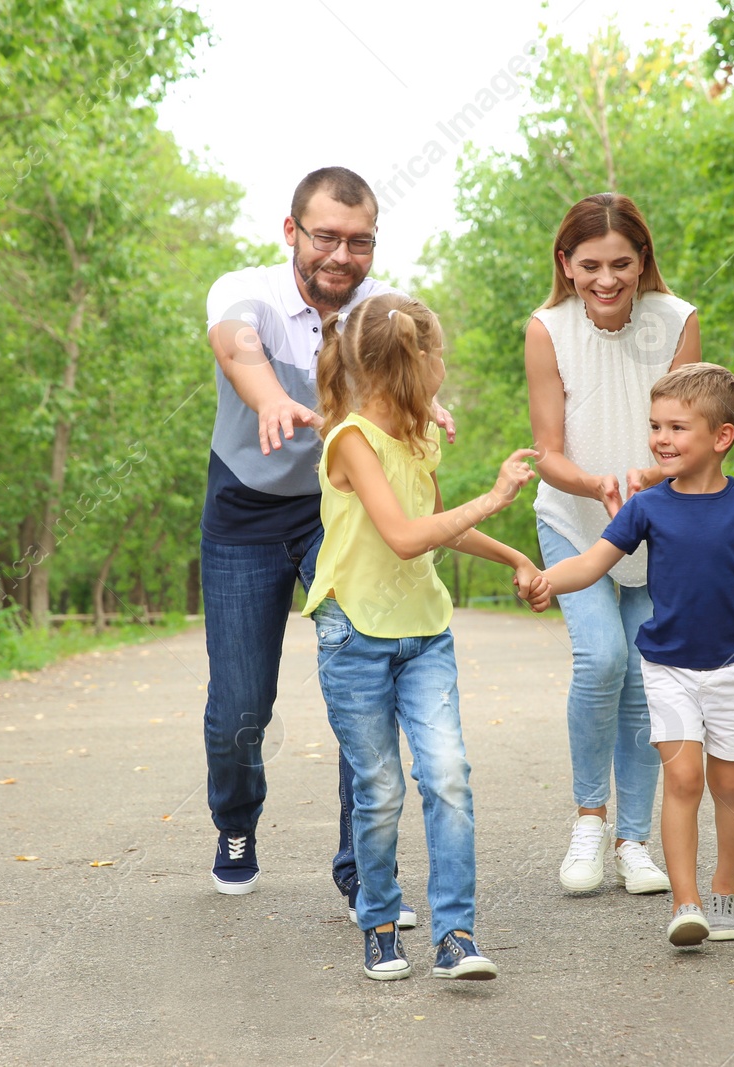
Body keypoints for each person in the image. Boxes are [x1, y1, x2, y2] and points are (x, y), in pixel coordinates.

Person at [201, 167, 449, 917]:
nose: (342, 255)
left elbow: (415, 369)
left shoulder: (380, 311)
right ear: (292, 233)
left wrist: (427, 402)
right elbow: (237, 345)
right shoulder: (247, 291)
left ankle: (361, 871)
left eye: (360, 241)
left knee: (364, 679)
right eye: (327, 238)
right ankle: (236, 824)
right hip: (244, 509)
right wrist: (273, 398)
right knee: (242, 702)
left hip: (337, 514)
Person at [302, 292, 548, 981]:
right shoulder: (349, 440)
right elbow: (407, 537)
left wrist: (518, 558)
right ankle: (379, 921)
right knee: (379, 789)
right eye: (442, 352)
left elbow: (443, 526)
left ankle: (456, 934)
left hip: (425, 634)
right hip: (354, 633)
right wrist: (495, 493)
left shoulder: (421, 433)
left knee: (447, 775)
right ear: (418, 362)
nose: (448, 365)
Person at [531, 363, 734, 947]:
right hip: (667, 666)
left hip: (733, 666)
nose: (661, 438)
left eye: (677, 427)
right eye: (655, 426)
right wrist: (545, 579)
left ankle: (725, 886)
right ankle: (686, 904)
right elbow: (593, 563)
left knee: (730, 785)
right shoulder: (647, 506)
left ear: (721, 437)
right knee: (683, 778)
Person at [524, 192, 700, 895]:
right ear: (565, 265)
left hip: (660, 522)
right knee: (601, 658)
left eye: (621, 264)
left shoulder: (677, 321)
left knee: (642, 676)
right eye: (590, 265)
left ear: (643, 261)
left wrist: (652, 474)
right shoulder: (547, 328)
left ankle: (634, 840)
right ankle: (588, 821)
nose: (606, 279)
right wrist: (599, 484)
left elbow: (688, 432)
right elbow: (547, 451)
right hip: (573, 516)